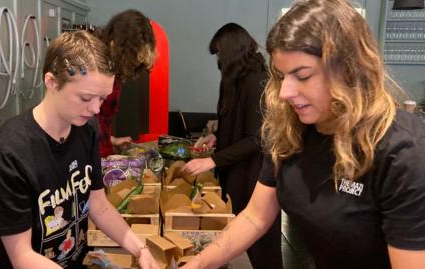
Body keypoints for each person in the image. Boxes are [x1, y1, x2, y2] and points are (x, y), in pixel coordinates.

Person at [181, 0, 425, 268]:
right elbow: (255, 217)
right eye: (282, 76)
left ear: (349, 69)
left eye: (303, 75)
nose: (285, 92)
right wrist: (197, 263)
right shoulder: (290, 131)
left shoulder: (403, 152)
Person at [0, 30, 159, 269]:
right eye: (86, 98)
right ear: (52, 82)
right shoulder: (9, 152)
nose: (96, 109)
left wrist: (141, 250)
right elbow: (22, 257)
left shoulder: (86, 129)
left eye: (102, 98)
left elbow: (99, 205)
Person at [182, 23, 282, 268]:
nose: (218, 59)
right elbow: (240, 121)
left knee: (259, 244)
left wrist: (212, 160)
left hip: (252, 174)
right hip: (236, 169)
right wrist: (217, 133)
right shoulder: (236, 78)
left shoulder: (257, 80)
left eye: (219, 53)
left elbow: (257, 137)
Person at [94, 9, 156, 157]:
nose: (133, 65)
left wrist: (112, 140)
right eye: (133, 57)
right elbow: (85, 122)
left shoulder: (114, 69)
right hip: (89, 156)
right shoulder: (95, 67)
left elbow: (100, 120)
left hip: (103, 152)